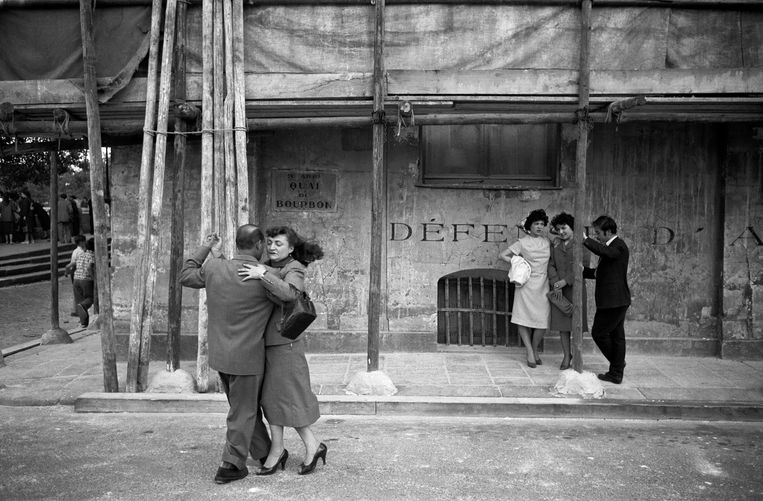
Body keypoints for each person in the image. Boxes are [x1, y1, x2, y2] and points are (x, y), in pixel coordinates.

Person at [180, 225, 273, 484]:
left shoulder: (214, 268)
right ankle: (230, 465)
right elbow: (288, 295)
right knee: (242, 412)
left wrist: (208, 249)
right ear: (259, 246)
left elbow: (186, 274)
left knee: (244, 408)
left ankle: (265, 453)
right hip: (248, 357)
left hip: (222, 355)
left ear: (237, 243)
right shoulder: (264, 276)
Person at [237, 226, 327, 476]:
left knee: (291, 398)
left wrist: (262, 273)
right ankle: (278, 450)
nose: (272, 247)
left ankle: (312, 445)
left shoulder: (293, 268)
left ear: (291, 248)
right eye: (270, 242)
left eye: (278, 243)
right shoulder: (266, 265)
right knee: (270, 400)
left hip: (285, 344)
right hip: (264, 343)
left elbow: (290, 293)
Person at [499, 209, 551, 368]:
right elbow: (503, 255)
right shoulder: (522, 242)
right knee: (523, 317)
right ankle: (529, 351)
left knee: (542, 320)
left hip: (543, 283)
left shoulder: (548, 241)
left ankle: (535, 349)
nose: (540, 227)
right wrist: (520, 263)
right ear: (530, 226)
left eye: (542, 224)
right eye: (536, 224)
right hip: (526, 283)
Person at [583, 215, 631, 384]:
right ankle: (616, 372)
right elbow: (599, 273)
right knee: (617, 337)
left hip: (614, 302)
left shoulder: (618, 246)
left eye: (598, 233)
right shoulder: (611, 249)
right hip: (615, 301)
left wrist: (585, 240)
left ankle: (617, 366)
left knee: (599, 333)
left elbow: (606, 252)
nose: (596, 236)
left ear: (608, 232)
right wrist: (583, 271)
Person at [547, 212, 588, 370]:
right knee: (562, 325)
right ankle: (566, 355)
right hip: (559, 290)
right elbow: (551, 264)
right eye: (558, 229)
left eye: (564, 228)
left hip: (575, 288)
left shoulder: (582, 244)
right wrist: (555, 282)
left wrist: (564, 282)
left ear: (573, 227)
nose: (561, 232)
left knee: (577, 324)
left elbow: (582, 267)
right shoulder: (556, 244)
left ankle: (577, 355)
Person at [69, 237, 95, 328]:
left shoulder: (81, 254)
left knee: (79, 300)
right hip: (86, 279)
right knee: (90, 298)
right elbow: (89, 267)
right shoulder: (92, 255)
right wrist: (93, 278)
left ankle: (83, 322)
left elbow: (73, 265)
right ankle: (83, 307)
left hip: (76, 279)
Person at [66, 235, 87, 316]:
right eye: (84, 241)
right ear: (81, 242)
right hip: (79, 273)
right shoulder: (80, 252)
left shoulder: (75, 251)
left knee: (77, 292)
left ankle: (76, 310)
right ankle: (79, 310)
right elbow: (73, 264)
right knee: (81, 292)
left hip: (75, 273)